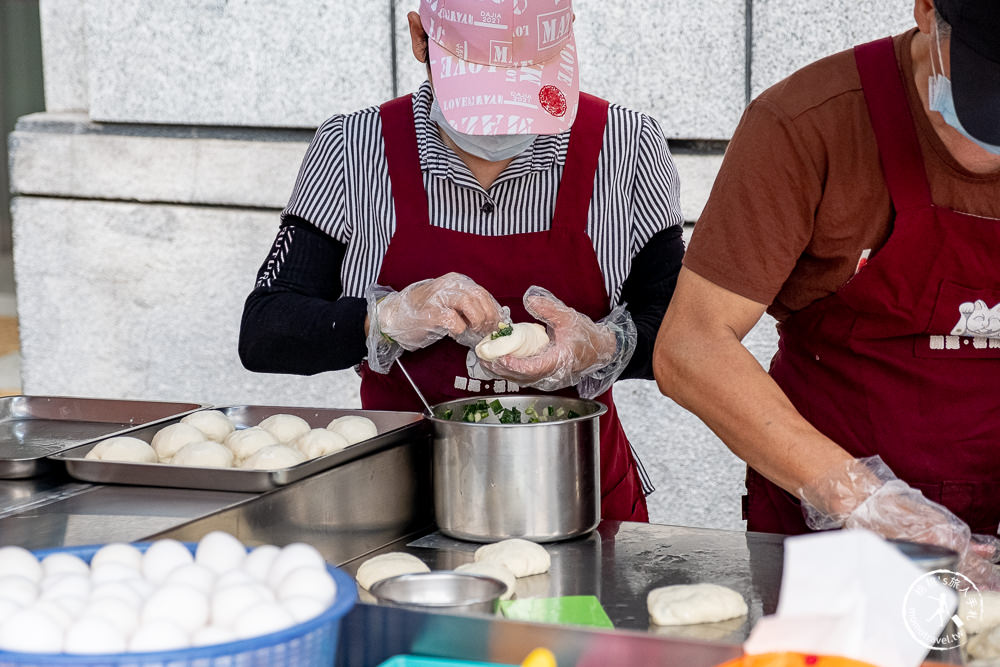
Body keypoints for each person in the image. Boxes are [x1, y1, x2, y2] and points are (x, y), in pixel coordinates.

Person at [239, 0, 685, 522]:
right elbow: (265, 329)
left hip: (576, 497)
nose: (498, 127)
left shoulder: (627, 146)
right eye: (479, 81)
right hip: (396, 504)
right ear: (419, 37)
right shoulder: (352, 148)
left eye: (521, 77)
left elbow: (685, 336)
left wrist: (604, 346)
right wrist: (382, 320)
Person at [653, 0, 1000, 584]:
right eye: (984, 94)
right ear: (925, 10)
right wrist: (862, 500)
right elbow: (690, 346)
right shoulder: (806, 123)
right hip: (836, 536)